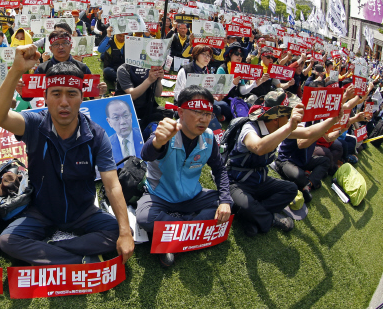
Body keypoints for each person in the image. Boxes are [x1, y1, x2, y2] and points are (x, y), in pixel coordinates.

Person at [0, 46, 134, 265]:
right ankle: (82, 258)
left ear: (82, 97)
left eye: (71, 94)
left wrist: (124, 232)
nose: (64, 102)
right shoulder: (34, 124)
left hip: (83, 211)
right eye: (56, 94)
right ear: (46, 98)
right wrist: (16, 70)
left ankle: (51, 250)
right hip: (41, 211)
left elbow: (112, 185)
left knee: (120, 230)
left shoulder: (96, 134)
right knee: (9, 240)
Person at [135, 85, 232, 267]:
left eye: (208, 113)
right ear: (180, 111)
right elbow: (146, 154)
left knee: (224, 205)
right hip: (159, 196)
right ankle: (190, 227)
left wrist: (225, 201)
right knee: (144, 218)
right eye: (197, 111)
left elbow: (219, 169)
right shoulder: (166, 132)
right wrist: (158, 141)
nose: (204, 118)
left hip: (192, 195)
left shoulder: (209, 137)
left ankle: (170, 232)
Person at [225, 90, 304, 237]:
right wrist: (289, 127)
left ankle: (253, 217)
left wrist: (334, 120)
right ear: (276, 118)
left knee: (291, 189)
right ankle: (270, 219)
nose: (289, 119)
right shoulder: (250, 128)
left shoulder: (279, 128)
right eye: (287, 115)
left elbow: (310, 133)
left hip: (259, 180)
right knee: (245, 205)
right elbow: (258, 148)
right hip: (236, 182)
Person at [106, 99, 143, 165]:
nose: (122, 122)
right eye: (116, 117)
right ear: (109, 122)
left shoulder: (143, 135)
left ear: (131, 116)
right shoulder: (106, 145)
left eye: (125, 115)